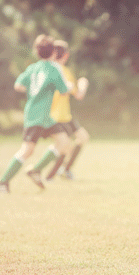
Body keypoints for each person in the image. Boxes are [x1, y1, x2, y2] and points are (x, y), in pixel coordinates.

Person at [0, 35, 71, 193]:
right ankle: (3, 181)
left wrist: (34, 90)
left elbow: (18, 85)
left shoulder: (33, 68)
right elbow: (64, 91)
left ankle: (36, 170)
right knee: (27, 150)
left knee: (63, 142)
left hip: (40, 115)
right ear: (54, 52)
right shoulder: (54, 69)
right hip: (38, 116)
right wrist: (70, 85)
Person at [45, 40, 90, 181]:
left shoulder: (48, 69)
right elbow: (79, 95)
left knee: (82, 137)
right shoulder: (62, 71)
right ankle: (50, 174)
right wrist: (83, 83)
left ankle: (64, 169)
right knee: (64, 145)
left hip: (64, 116)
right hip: (56, 116)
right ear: (66, 55)